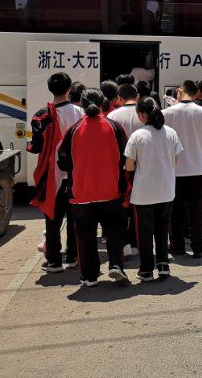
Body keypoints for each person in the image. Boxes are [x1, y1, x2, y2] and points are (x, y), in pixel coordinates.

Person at [57, 89, 130, 287]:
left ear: (81, 103)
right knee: (114, 231)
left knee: (85, 236)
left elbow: (62, 163)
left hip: (81, 193)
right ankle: (116, 265)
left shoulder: (73, 130)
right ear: (102, 102)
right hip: (111, 191)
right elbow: (126, 157)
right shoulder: (114, 127)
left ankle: (89, 276)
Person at [27, 72, 84, 272]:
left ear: (50, 89)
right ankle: (73, 256)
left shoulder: (42, 115)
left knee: (52, 218)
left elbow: (36, 147)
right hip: (76, 174)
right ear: (69, 88)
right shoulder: (81, 113)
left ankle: (53, 261)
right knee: (74, 218)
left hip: (53, 175)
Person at [125, 97, 182, 282]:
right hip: (166, 190)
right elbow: (175, 160)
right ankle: (163, 265)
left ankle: (146, 270)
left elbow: (129, 166)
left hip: (143, 193)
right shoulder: (171, 133)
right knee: (162, 229)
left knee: (145, 232)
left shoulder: (137, 136)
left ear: (142, 114)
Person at [163, 80, 202, 258]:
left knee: (175, 210)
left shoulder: (166, 113)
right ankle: (198, 247)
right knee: (197, 210)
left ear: (180, 91)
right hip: (197, 168)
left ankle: (177, 245)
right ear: (195, 93)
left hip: (174, 169)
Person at [107, 83, 143, 257]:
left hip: (120, 168)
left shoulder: (112, 115)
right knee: (138, 207)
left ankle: (123, 243)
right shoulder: (144, 113)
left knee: (120, 207)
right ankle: (136, 242)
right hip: (142, 167)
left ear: (119, 99)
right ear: (137, 97)